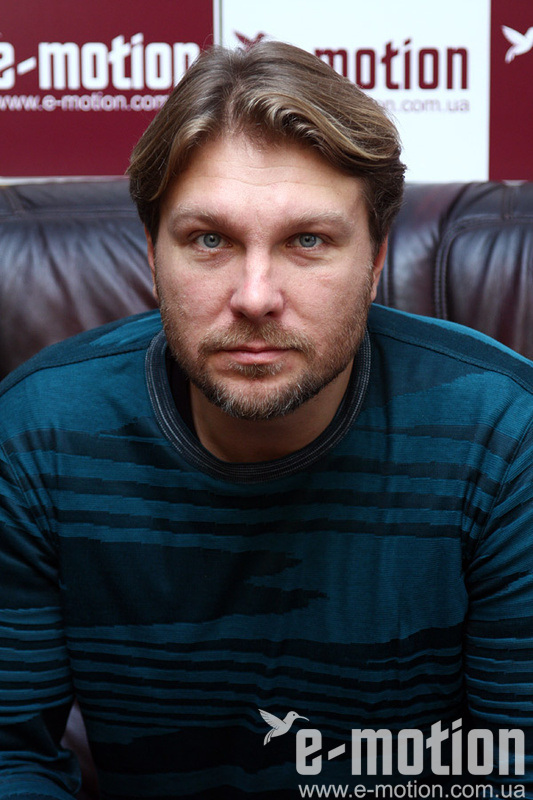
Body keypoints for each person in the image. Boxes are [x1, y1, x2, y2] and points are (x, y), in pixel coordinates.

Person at [0, 40, 532, 800]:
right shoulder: (36, 432)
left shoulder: (505, 436)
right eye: (209, 240)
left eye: (307, 241)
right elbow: (10, 758)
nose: (255, 296)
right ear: (151, 254)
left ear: (376, 262)